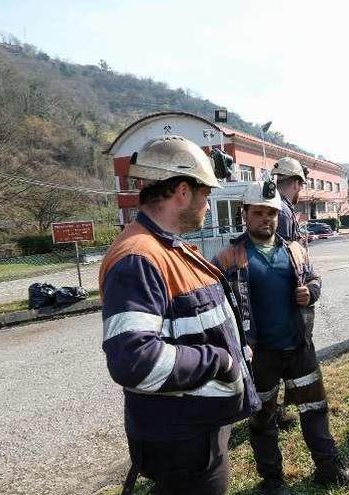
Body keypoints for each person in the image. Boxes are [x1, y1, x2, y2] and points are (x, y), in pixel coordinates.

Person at [99, 135, 259, 495]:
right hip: (181, 437)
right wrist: (220, 361)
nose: (207, 204)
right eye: (206, 194)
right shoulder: (139, 258)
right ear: (183, 192)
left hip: (195, 425)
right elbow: (133, 360)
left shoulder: (167, 246)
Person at [214, 182, 349, 495]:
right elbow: (217, 308)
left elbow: (314, 279)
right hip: (259, 354)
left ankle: (328, 467)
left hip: (299, 346)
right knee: (262, 419)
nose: (266, 218)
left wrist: (310, 292)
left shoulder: (295, 250)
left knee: (315, 408)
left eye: (271, 212)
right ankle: (272, 481)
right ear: (245, 214)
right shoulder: (228, 258)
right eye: (259, 212)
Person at [269, 156, 310, 430]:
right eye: (301, 185)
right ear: (295, 182)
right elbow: (283, 255)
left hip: (280, 291)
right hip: (286, 292)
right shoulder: (282, 211)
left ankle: (274, 408)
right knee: (286, 351)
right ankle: (274, 412)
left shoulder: (277, 206)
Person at [271, 156, 308, 242]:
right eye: (301, 185)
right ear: (296, 184)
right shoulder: (283, 212)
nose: (301, 189)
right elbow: (283, 253)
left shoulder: (272, 205)